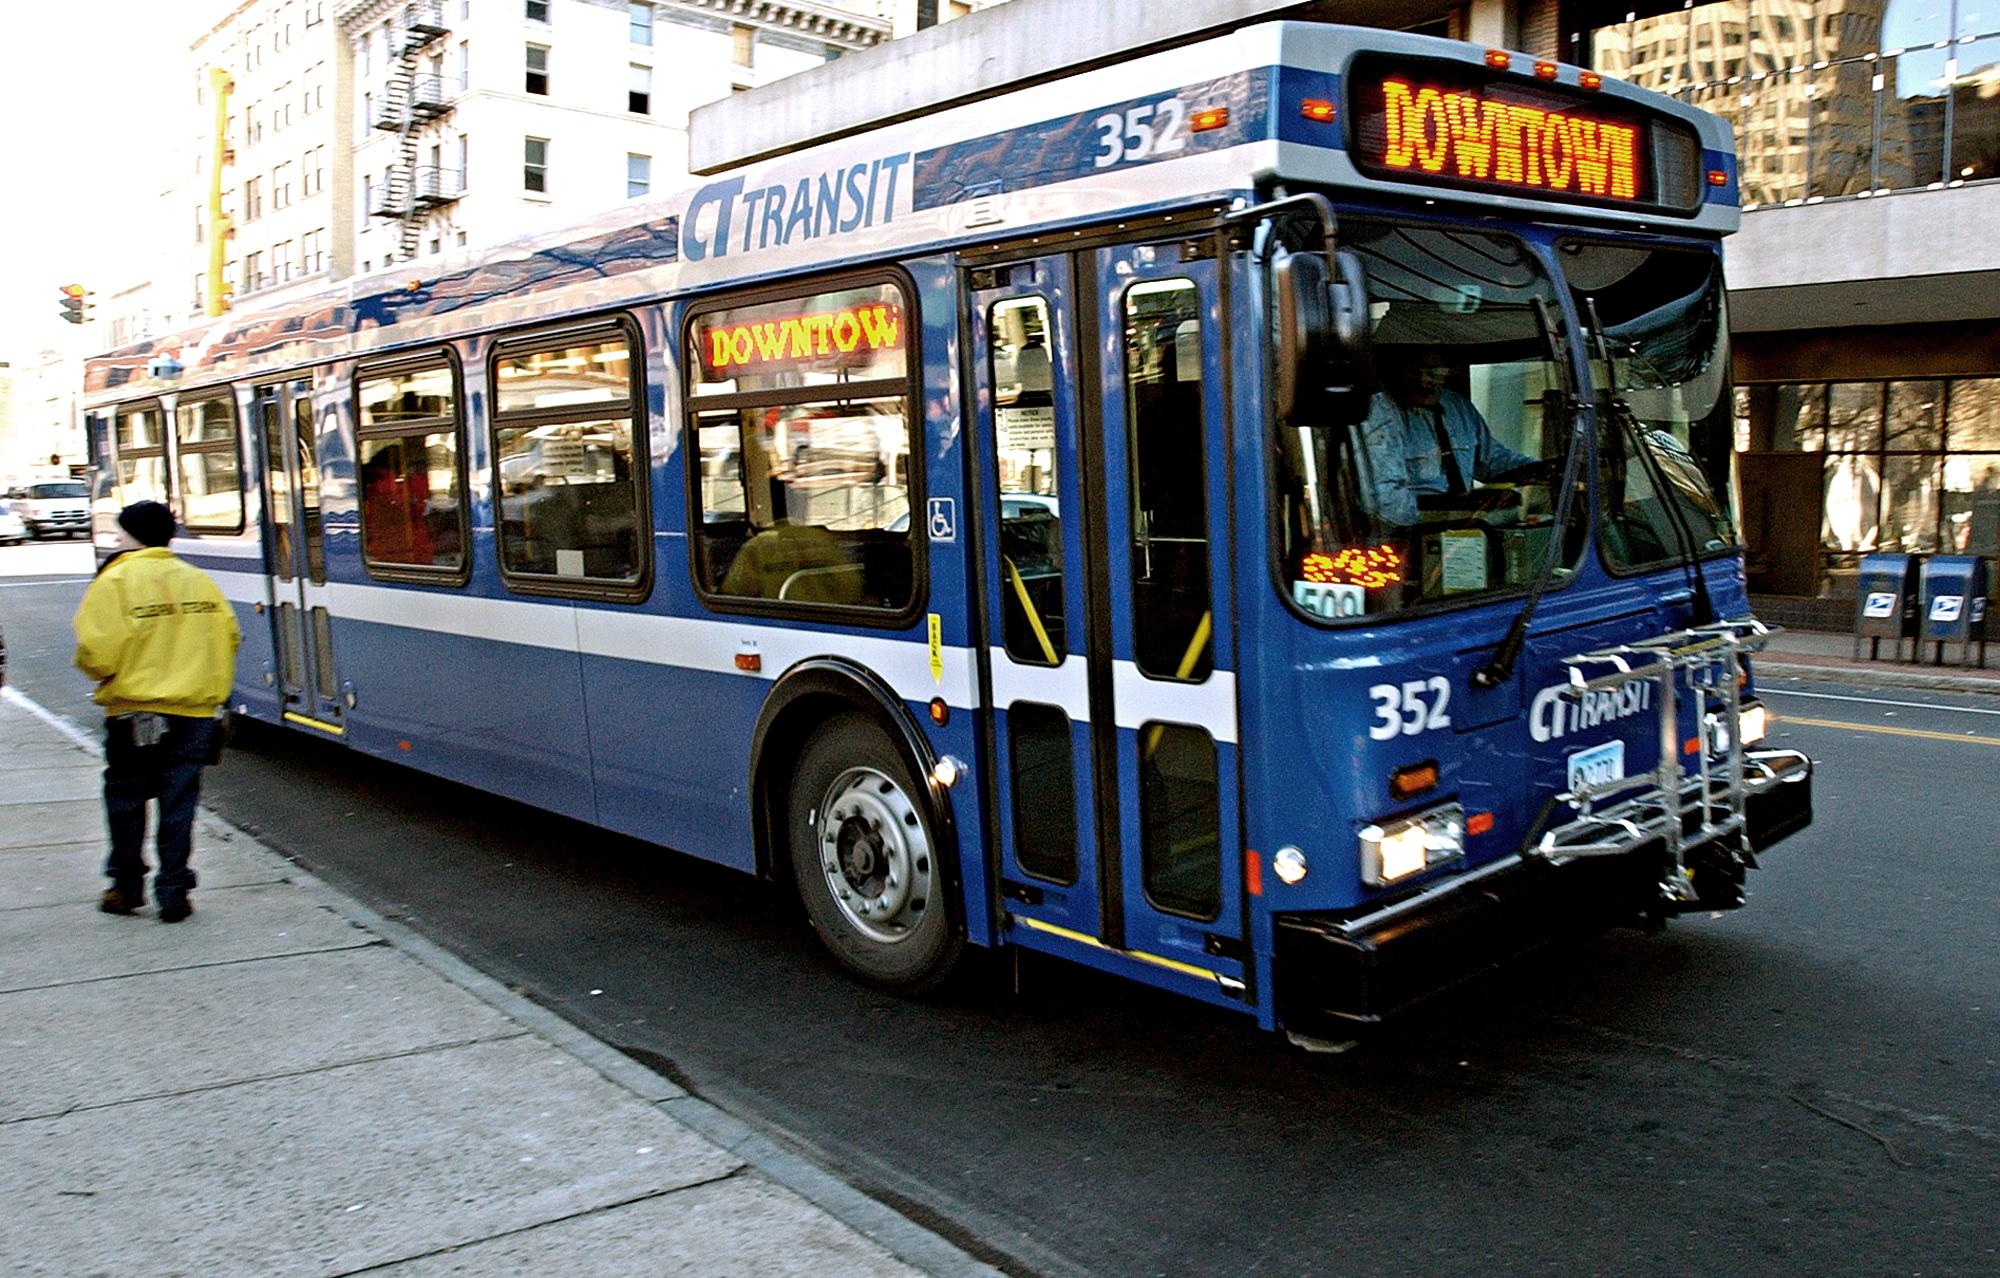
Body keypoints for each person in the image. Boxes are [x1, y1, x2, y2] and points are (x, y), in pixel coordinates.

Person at [72, 501, 241, 922]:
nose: (116, 540)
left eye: (119, 533)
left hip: (135, 711)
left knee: (127, 798)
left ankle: (126, 888)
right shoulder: (199, 581)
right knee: (179, 799)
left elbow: (97, 652)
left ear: (131, 535)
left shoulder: (116, 580)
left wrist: (109, 676)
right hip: (195, 712)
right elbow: (230, 637)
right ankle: (174, 890)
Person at [1358, 346, 1547, 526]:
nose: (1425, 381)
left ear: (1446, 372)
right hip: (1409, 536)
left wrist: (1540, 471)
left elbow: (1490, 460)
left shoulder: (1458, 407)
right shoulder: (1378, 415)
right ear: (1397, 373)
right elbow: (1383, 498)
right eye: (1415, 372)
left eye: (1434, 373)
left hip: (1465, 531)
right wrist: (1452, 513)